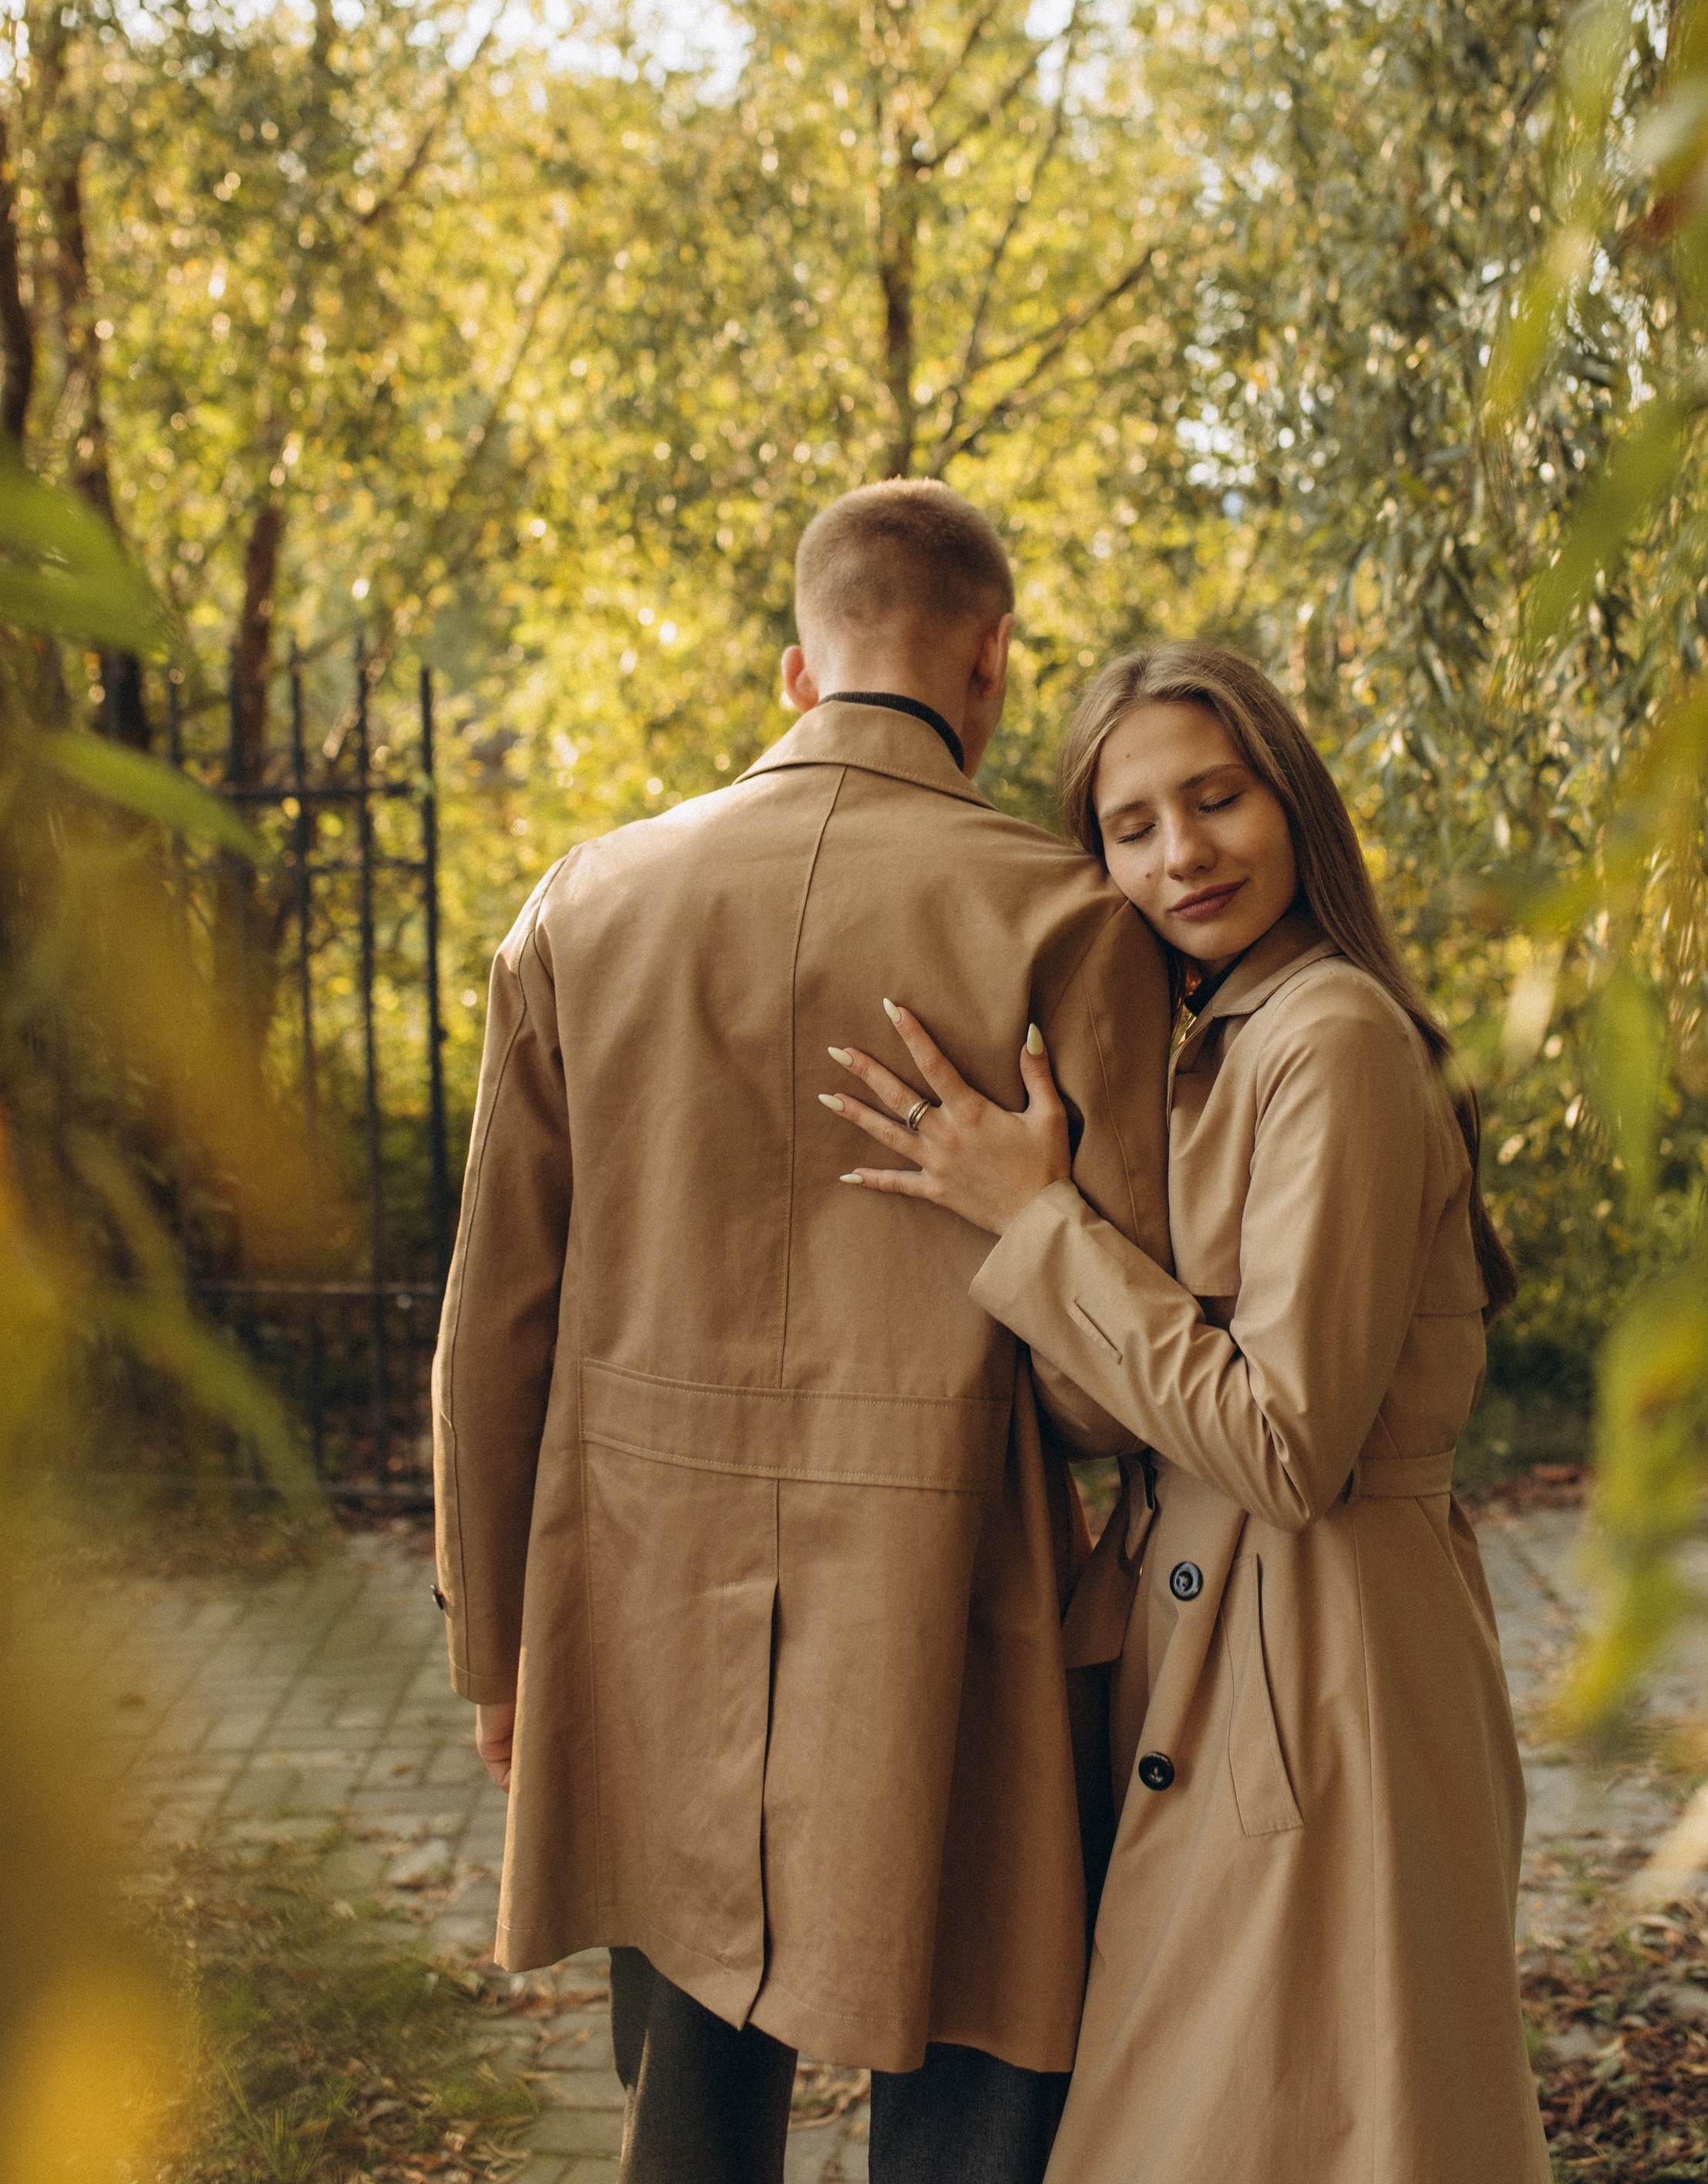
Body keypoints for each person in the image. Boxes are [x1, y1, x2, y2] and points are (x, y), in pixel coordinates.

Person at [431, 483, 1173, 2184]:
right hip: (962, 1604)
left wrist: (499, 1642)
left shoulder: (585, 901)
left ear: (795, 668)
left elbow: (495, 1325)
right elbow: (1098, 1391)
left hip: (636, 1595)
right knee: (984, 2076)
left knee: (689, 2080)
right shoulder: (1070, 919)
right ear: (991, 664)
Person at [824, 641, 1551, 2184]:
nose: (1180, 854)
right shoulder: (1209, 1047)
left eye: (1212, 799)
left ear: (1287, 802)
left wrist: (1039, 1233)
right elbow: (1126, 1413)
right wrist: (1020, 1216)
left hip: (1325, 1676)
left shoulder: (1329, 1042)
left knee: (1315, 2131)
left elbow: (1281, 1445)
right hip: (1213, 1666)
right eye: (1129, 826)